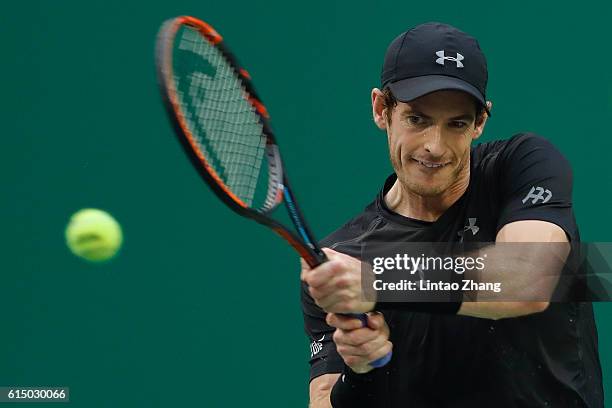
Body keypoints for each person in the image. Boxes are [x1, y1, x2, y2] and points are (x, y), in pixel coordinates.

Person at [301, 22, 603, 407]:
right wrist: (362, 373)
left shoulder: (523, 164)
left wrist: (378, 280)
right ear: (381, 109)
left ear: (480, 122)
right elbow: (324, 399)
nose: (434, 146)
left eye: (456, 123)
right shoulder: (342, 256)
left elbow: (530, 277)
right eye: (417, 119)